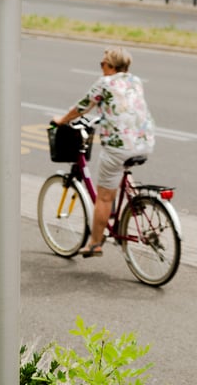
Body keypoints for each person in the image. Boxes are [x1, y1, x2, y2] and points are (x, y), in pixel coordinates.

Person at [53, 46, 155, 258]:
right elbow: (125, 108)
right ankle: (135, 203)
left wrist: (62, 120)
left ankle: (95, 244)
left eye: (102, 64)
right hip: (145, 142)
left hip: (119, 146)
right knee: (122, 165)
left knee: (105, 197)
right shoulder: (135, 81)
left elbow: (82, 106)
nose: (101, 68)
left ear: (111, 66)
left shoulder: (105, 83)